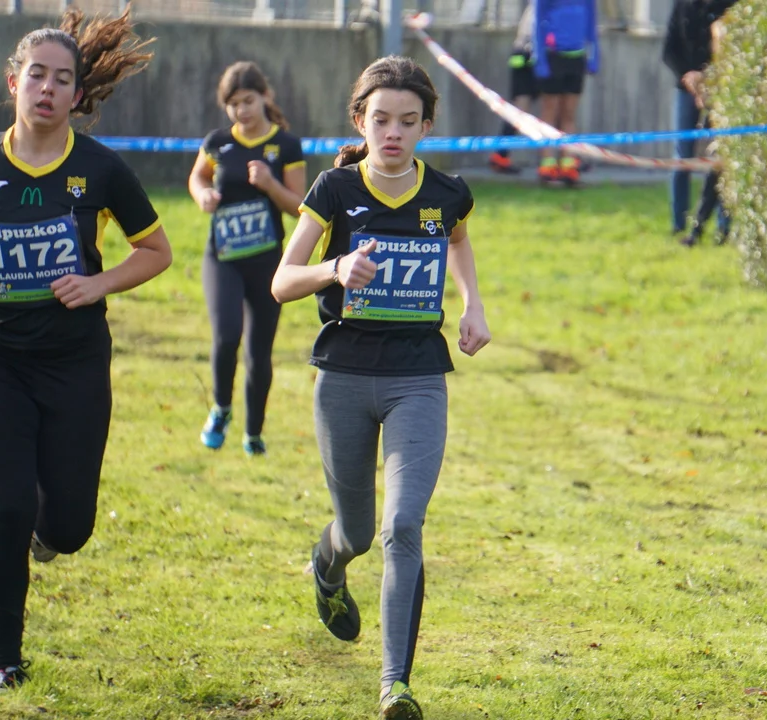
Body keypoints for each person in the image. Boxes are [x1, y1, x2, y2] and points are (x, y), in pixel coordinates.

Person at [0, 7, 171, 696]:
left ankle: (45, 538)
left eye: (63, 79)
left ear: (77, 93)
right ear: (14, 81)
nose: (48, 89)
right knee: (4, 507)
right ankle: (4, 662)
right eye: (37, 75)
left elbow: (156, 251)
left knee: (69, 524)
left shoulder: (100, 169)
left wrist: (98, 283)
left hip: (74, 362)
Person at [270, 55, 490, 720]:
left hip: (418, 378)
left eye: (408, 121)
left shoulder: (447, 193)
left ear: (426, 126)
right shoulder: (334, 190)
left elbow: (457, 241)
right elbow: (282, 281)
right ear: (360, 121)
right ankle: (328, 565)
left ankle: (395, 686)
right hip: (342, 376)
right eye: (381, 120)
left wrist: (473, 304)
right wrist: (335, 268)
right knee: (358, 532)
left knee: (402, 525)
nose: (393, 133)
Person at [188, 61, 306, 455]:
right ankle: (221, 409)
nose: (242, 110)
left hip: (268, 262)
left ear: (265, 97)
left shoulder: (286, 145)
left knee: (259, 353)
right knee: (226, 336)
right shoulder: (218, 142)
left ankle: (254, 433)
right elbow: (197, 176)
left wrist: (270, 185)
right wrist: (202, 194)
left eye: (249, 100)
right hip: (223, 257)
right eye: (234, 103)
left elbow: (298, 207)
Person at [662, 0, 738, 237]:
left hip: (721, 89)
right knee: (682, 156)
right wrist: (689, 76)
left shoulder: (729, 4)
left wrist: (710, 78)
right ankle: (678, 222)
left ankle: (723, 226)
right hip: (687, 87)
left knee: (722, 158)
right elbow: (669, 50)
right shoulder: (683, 5)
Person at [533, 0, 599, 185]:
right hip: (553, 55)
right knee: (550, 111)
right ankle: (547, 162)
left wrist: (595, 55)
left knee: (569, 113)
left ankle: (567, 162)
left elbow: (592, 22)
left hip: (576, 57)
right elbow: (537, 22)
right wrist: (540, 59)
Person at [488, 1, 538, 175]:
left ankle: (500, 155)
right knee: (520, 110)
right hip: (526, 56)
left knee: (525, 109)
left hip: (529, 55)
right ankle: (500, 155)